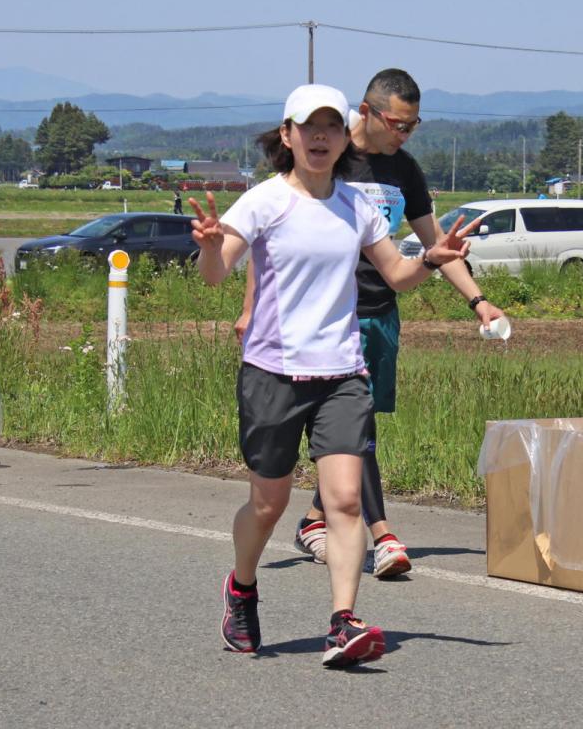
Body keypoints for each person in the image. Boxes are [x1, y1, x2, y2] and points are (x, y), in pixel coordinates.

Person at [192, 83, 479, 666]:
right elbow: (216, 276)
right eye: (308, 127)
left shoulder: (356, 204)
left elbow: (396, 274)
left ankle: (341, 622)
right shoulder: (264, 201)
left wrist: (432, 257)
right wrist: (207, 246)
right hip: (272, 371)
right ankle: (242, 587)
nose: (320, 136)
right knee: (268, 505)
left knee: (345, 501)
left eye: (330, 126)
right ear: (287, 136)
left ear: (342, 136)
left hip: (343, 372)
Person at [236, 69, 505, 579]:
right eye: (398, 124)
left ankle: (318, 519)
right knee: (357, 437)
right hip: (325, 317)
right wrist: (251, 308)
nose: (404, 135)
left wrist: (478, 300)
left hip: (382, 308)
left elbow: (435, 245)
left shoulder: (404, 169)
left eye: (413, 126)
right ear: (367, 111)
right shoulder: (329, 156)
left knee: (354, 432)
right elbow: (268, 242)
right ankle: (381, 533)